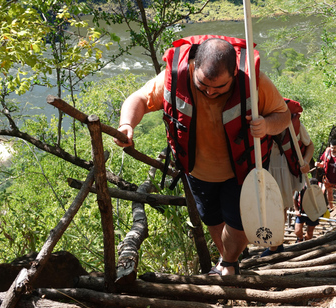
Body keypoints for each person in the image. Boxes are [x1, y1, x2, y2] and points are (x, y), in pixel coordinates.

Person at [113, 35, 290, 275]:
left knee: (238, 224)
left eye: (219, 87)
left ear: (234, 74)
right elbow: (140, 99)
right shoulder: (175, 76)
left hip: (241, 170)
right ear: (194, 66)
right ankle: (229, 262)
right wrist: (126, 125)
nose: (209, 92)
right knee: (212, 219)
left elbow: (283, 115)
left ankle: (228, 263)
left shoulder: (253, 82)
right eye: (203, 84)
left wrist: (267, 125)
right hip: (197, 169)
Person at [261, 114, 315, 256]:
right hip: (266, 169)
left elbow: (310, 145)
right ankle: (274, 243)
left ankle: (276, 245)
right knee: (268, 208)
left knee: (281, 208)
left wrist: (306, 162)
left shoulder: (294, 124)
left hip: (286, 171)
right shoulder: (261, 122)